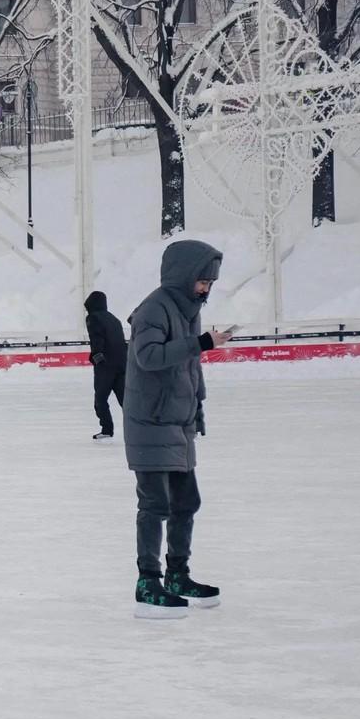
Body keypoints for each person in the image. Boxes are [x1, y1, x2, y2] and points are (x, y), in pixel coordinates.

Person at [124, 239, 235, 620]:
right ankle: (148, 583)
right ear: (183, 276)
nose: (206, 288)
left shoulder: (187, 311)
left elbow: (189, 368)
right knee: (155, 505)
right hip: (150, 423)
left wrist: (197, 407)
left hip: (178, 425)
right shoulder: (154, 308)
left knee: (187, 503)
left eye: (210, 282)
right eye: (202, 280)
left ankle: (177, 576)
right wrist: (201, 343)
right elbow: (149, 357)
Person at [85, 290, 127, 440]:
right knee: (126, 401)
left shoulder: (93, 318)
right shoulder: (114, 319)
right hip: (122, 364)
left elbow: (96, 339)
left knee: (100, 399)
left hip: (106, 365)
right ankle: (140, 429)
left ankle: (107, 429)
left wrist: (97, 357)